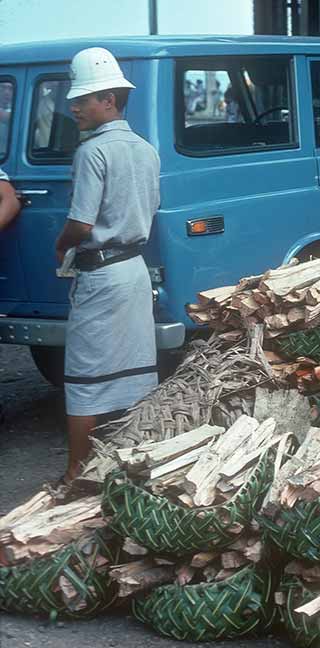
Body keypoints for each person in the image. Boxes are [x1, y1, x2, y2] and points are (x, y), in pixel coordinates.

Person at [54, 47, 161, 482]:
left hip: (99, 272)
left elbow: (80, 224)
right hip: (133, 270)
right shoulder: (145, 149)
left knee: (83, 379)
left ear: (110, 100)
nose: (74, 106)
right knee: (134, 373)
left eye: (83, 99)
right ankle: (133, 466)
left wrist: (59, 248)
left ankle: (76, 472)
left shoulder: (92, 152)